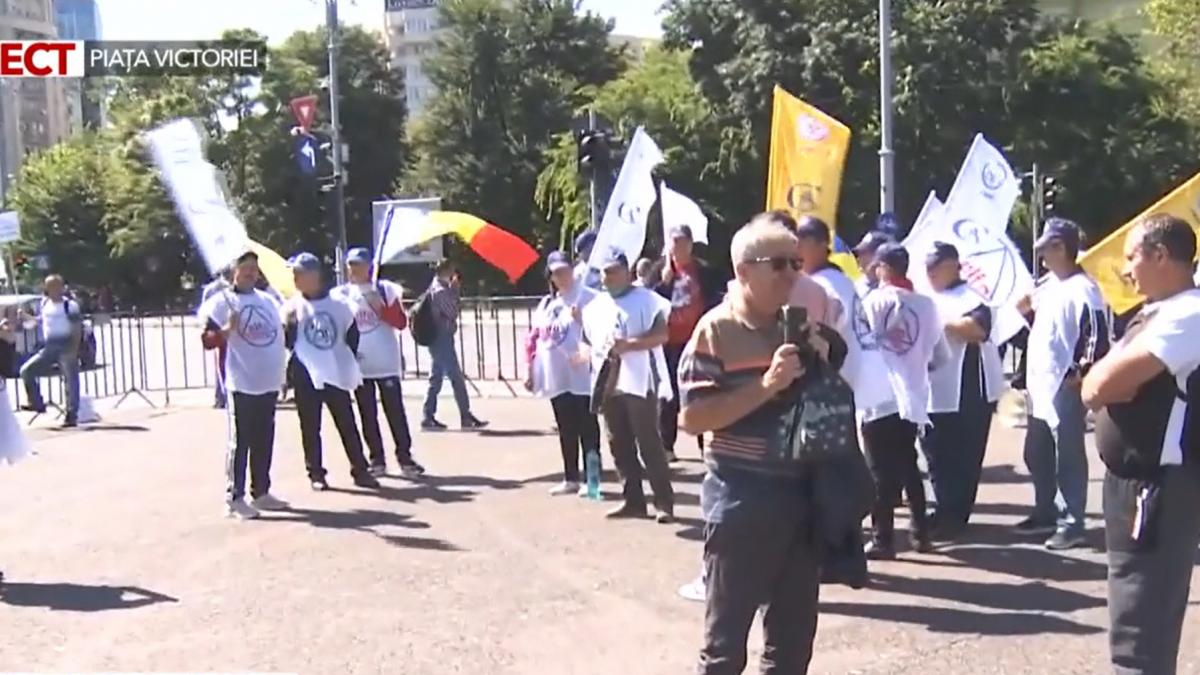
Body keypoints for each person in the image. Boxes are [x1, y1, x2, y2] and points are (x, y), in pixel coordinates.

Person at [680, 216, 841, 674]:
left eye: (797, 262)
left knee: (791, 648)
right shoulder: (715, 331)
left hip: (800, 499)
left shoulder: (797, 328)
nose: (794, 273)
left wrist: (823, 359)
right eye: (781, 264)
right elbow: (692, 417)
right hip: (741, 500)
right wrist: (767, 385)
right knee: (725, 647)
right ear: (745, 271)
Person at [1082, 214, 1200, 675]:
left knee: (1141, 620)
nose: (1126, 269)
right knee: (1132, 608)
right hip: (1136, 482)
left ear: (1161, 256)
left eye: (1132, 256)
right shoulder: (1159, 312)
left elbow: (1103, 384)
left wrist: (1104, 382)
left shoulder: (1188, 314)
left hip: (1159, 486)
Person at [1016, 218, 1110, 550]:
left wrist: (1082, 372)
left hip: (1063, 383)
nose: (1042, 254)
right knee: (1036, 452)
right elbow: (1045, 331)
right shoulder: (1048, 285)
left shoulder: (1084, 288)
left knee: (1066, 455)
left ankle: (1072, 522)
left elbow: (1096, 332)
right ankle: (1045, 511)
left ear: (1063, 248)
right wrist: (1027, 314)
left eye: (1049, 247)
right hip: (1040, 381)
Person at [859, 243, 949, 559]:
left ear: (883, 267)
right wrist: (915, 365)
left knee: (878, 471)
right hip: (913, 397)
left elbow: (860, 348)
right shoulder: (926, 305)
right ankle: (919, 533)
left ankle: (883, 539)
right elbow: (941, 356)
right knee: (909, 465)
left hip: (879, 397)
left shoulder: (870, 302)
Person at [582, 247, 675, 523]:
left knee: (648, 442)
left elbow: (662, 334)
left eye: (612, 271)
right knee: (618, 443)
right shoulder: (594, 307)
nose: (607, 277)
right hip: (608, 382)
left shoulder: (648, 300)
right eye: (604, 272)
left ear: (627, 271)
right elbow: (588, 341)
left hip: (639, 380)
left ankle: (664, 502)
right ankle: (633, 500)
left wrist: (630, 345)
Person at [923, 242, 1005, 541]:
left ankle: (956, 515)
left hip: (968, 390)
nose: (929, 272)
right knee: (935, 453)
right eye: (927, 266)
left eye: (936, 266)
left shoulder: (972, 296)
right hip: (934, 388)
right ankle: (944, 508)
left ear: (952, 265)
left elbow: (977, 329)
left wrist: (940, 324)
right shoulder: (927, 296)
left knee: (963, 455)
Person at [199, 251, 289, 520]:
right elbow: (207, 340)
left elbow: (279, 333)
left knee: (265, 438)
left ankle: (261, 491)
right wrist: (227, 329)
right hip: (241, 382)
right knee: (242, 441)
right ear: (234, 272)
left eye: (254, 268)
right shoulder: (220, 302)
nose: (251, 273)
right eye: (245, 268)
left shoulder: (268, 300)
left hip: (268, 381)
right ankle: (234, 497)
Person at [283, 252, 379, 491]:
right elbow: (287, 342)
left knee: (347, 422)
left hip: (335, 372)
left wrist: (343, 361)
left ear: (313, 276)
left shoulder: (338, 304)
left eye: (299, 273)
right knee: (310, 426)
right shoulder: (292, 306)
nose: (294, 278)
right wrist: (290, 325)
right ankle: (316, 473)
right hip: (306, 375)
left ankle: (360, 469)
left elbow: (351, 335)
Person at [334, 247, 425, 479]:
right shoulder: (341, 294)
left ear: (370, 267)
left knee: (395, 412)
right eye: (352, 265)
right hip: (359, 366)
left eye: (360, 265)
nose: (356, 270)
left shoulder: (385, 289)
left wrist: (380, 308)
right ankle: (377, 459)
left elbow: (401, 322)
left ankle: (405, 457)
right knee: (367, 413)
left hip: (385, 361)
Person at [524, 251, 601, 496]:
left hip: (583, 376)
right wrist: (531, 370)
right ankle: (570, 477)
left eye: (564, 271)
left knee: (588, 429)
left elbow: (603, 334)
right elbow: (536, 339)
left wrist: (584, 320)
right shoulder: (549, 305)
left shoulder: (591, 299)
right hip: (558, 375)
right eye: (556, 273)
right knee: (566, 427)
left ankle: (593, 481)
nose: (561, 276)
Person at [654, 225, 723, 463]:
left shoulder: (703, 271)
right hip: (669, 342)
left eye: (684, 242)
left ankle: (707, 446)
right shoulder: (660, 272)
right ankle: (666, 446)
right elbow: (648, 300)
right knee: (669, 395)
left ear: (691, 245)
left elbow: (717, 298)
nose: (679, 247)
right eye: (675, 242)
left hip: (698, 342)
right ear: (669, 246)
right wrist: (662, 282)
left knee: (702, 392)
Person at [421, 259, 488, 431]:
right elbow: (452, 311)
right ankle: (465, 415)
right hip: (441, 337)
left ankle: (428, 415)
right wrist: (455, 290)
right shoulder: (441, 290)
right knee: (456, 377)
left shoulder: (436, 287)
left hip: (438, 336)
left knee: (436, 377)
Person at [19, 274, 83, 427]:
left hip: (66, 343)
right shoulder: (45, 303)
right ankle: (36, 402)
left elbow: (76, 328)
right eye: (50, 287)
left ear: (62, 287)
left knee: (70, 380)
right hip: (49, 345)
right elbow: (41, 321)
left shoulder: (70, 305)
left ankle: (71, 414)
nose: (53, 290)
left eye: (56, 286)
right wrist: (25, 316)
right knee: (27, 371)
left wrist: (74, 349)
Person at [201, 266, 234, 409]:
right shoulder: (212, 289)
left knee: (229, 362)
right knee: (220, 362)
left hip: (233, 327)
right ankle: (221, 395)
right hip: (218, 326)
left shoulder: (234, 287)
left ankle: (227, 395)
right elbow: (205, 309)